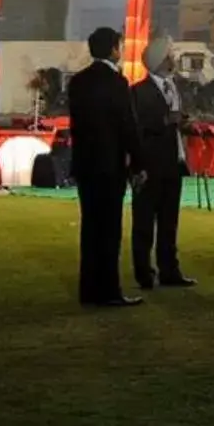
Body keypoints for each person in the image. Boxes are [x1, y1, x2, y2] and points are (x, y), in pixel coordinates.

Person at [67, 27, 143, 307]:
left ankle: (89, 289)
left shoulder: (77, 82)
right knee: (110, 230)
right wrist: (138, 161)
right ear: (114, 48)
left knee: (90, 229)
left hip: (86, 164)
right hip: (110, 165)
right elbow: (127, 125)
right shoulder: (117, 82)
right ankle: (109, 290)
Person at [128, 37, 195, 289]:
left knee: (169, 223)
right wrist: (167, 120)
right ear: (160, 61)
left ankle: (170, 271)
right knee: (144, 223)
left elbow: (174, 122)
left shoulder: (174, 87)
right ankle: (144, 274)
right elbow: (137, 129)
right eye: (169, 56)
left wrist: (183, 124)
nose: (173, 60)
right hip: (149, 166)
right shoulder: (138, 91)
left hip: (173, 164)